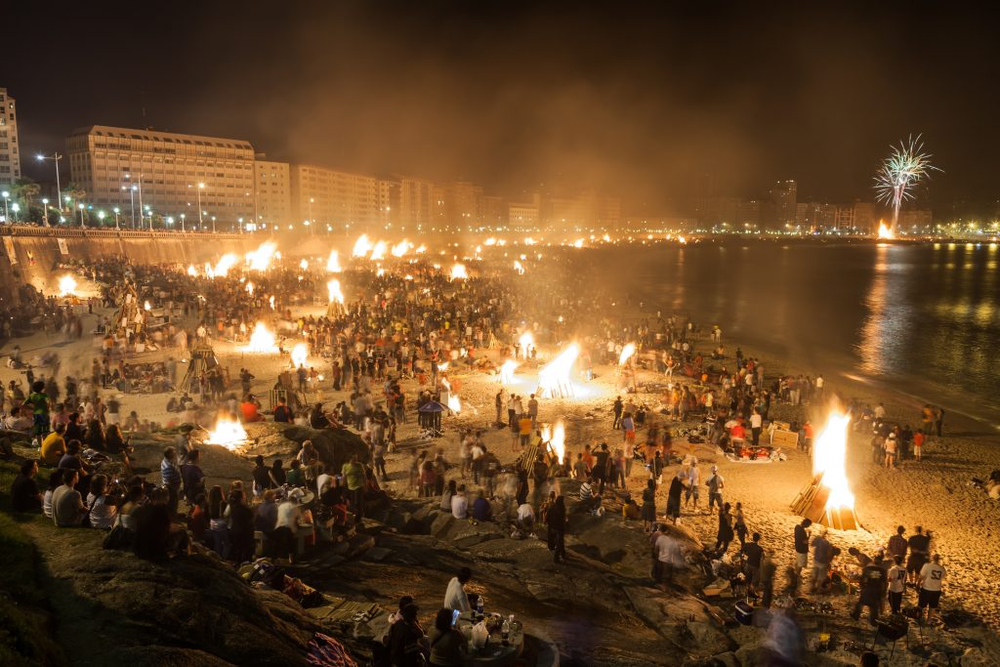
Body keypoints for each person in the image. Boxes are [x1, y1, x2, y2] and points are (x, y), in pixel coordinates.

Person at [852, 553, 888, 625]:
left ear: (874, 560)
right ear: (881, 561)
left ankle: (855, 615)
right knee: (874, 607)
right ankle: (873, 621)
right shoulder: (883, 571)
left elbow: (862, 579)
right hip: (876, 590)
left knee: (861, 603)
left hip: (867, 589)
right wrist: (883, 592)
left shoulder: (867, 568)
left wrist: (862, 587)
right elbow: (884, 582)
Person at [387, 603, 428, 667]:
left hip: (393, 657)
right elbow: (411, 657)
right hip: (402, 661)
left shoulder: (397, 624)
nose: (416, 615)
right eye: (415, 615)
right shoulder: (408, 633)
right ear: (411, 617)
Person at [918, 554, 945, 624]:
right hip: (937, 589)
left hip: (927, 588)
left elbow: (921, 576)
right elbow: (942, 577)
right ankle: (929, 620)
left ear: (932, 558)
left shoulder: (927, 565)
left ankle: (919, 617)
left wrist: (918, 584)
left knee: (921, 604)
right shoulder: (942, 568)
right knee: (932, 606)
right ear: (939, 560)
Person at [547, 495, 567, 563]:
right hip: (559, 529)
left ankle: (562, 553)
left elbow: (548, 516)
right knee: (559, 543)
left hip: (552, 527)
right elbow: (562, 520)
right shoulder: (562, 509)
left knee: (558, 542)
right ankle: (556, 558)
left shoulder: (552, 507)